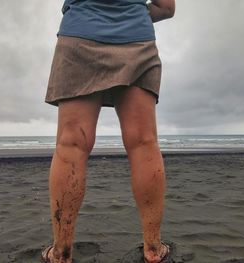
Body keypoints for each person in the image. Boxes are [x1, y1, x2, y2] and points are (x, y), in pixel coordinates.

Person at [41, 0, 175, 262]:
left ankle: (61, 252)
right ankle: (153, 248)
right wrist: (129, 13)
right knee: (143, 143)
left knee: (72, 145)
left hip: (80, 35)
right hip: (137, 39)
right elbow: (166, 7)